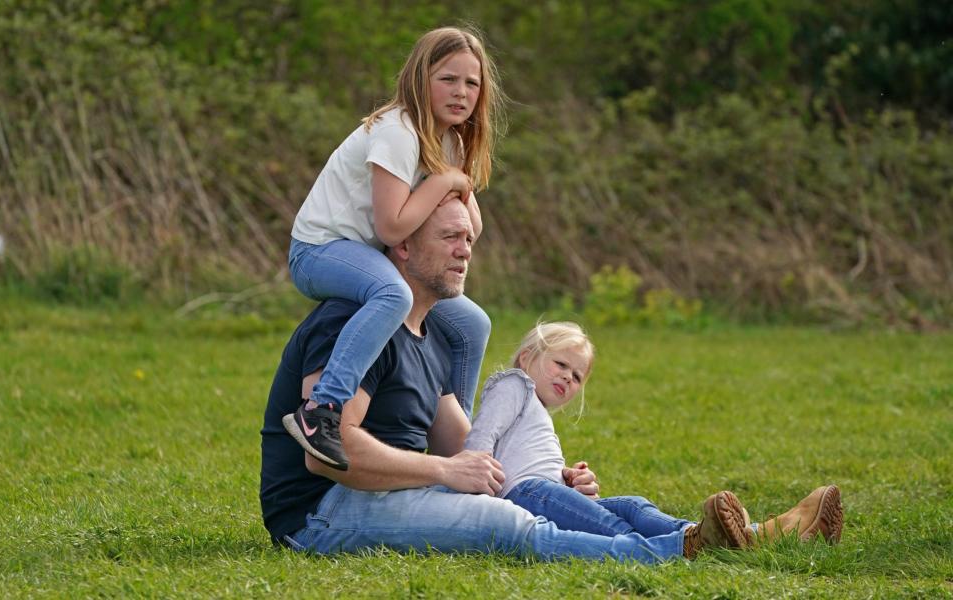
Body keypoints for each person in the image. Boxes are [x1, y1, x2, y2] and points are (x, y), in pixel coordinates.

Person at [261, 200, 816, 563]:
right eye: (450, 237)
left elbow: (468, 446)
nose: (465, 250)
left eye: (469, 239)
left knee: (563, 499)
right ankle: (687, 549)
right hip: (321, 512)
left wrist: (550, 474)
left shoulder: (431, 336)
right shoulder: (350, 322)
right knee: (507, 521)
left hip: (386, 490)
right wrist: (442, 470)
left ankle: (743, 532)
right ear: (401, 246)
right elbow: (325, 455)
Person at [282, 26, 503, 470]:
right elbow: (391, 226)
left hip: (369, 256)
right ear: (420, 79)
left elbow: (471, 225)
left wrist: (457, 179)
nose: (461, 92)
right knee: (393, 295)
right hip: (320, 250)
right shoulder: (398, 131)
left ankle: (460, 442)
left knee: (472, 324)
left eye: (471, 83)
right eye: (448, 79)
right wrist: (445, 181)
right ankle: (321, 411)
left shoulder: (450, 140)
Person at [464, 322, 844, 556]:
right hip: (527, 496)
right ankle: (692, 545)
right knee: (613, 527)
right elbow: (484, 436)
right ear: (528, 356)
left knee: (631, 505)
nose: (567, 377)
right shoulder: (514, 383)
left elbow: (520, 455)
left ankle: (742, 536)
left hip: (541, 491)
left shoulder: (534, 407)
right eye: (560, 364)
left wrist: (569, 479)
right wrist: (475, 490)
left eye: (577, 376)